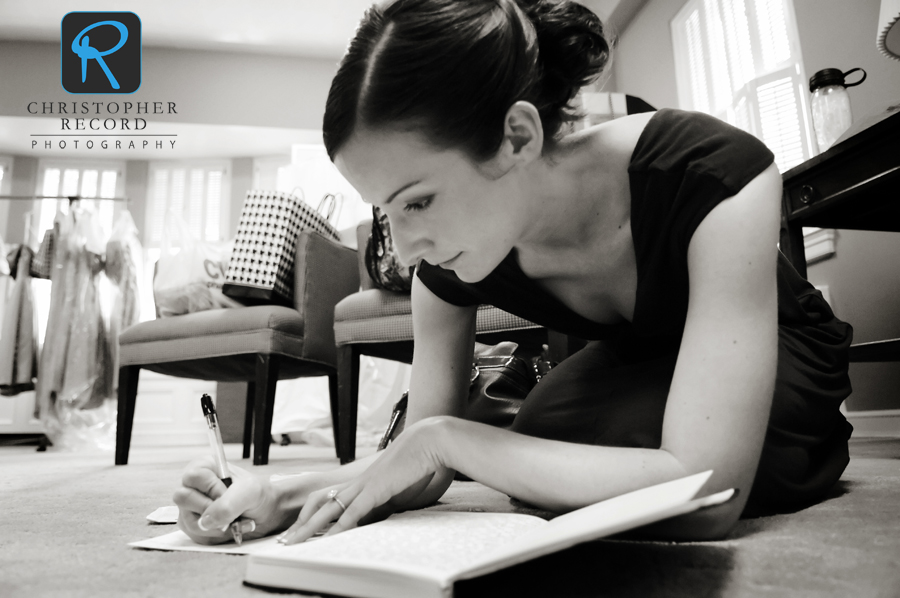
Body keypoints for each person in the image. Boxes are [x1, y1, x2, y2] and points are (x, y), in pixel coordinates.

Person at [174, 0, 853, 545]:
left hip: (783, 350)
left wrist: (449, 439)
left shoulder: (713, 174)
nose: (405, 250)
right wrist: (277, 492)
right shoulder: (444, 267)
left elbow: (707, 499)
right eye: (387, 212)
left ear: (518, 137)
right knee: (541, 431)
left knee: (589, 451)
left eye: (419, 200)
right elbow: (414, 468)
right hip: (637, 361)